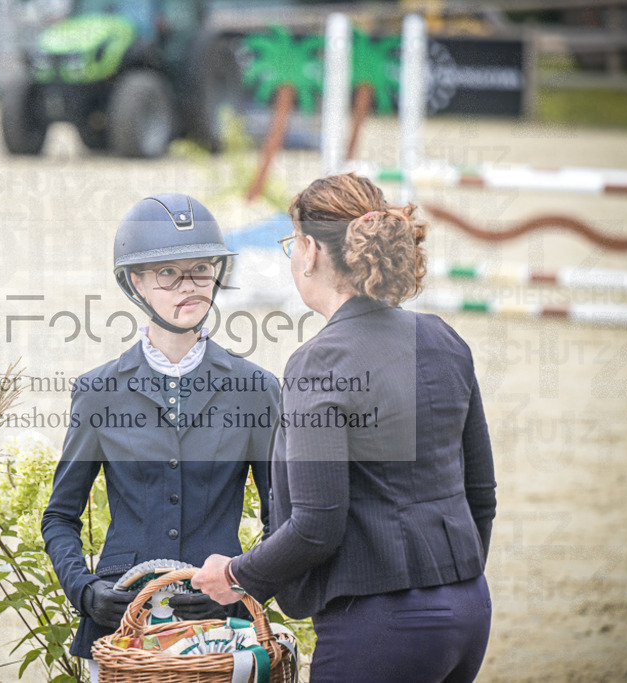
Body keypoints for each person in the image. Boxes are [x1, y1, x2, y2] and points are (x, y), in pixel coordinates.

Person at [192, 173, 497, 683]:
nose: (293, 255)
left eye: (292, 242)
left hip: (382, 627)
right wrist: (451, 582)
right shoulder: (444, 338)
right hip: (469, 610)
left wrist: (235, 575)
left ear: (310, 250)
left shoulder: (320, 361)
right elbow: (480, 494)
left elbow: (317, 525)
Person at [41, 193, 279, 675]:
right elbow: (60, 516)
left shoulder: (256, 389)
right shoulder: (98, 392)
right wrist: (85, 590)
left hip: (221, 626)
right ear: (136, 283)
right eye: (168, 273)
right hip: (120, 624)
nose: (188, 285)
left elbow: (283, 521)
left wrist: (240, 584)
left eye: (200, 269)